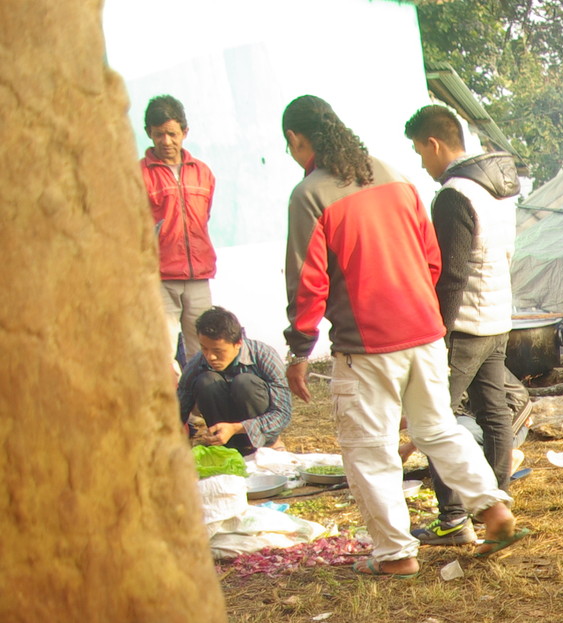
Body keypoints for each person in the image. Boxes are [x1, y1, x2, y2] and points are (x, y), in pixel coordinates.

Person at [280, 95, 525, 577]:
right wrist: (425, 314)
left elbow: (308, 279)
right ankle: (493, 508)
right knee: (437, 428)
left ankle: (395, 554)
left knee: (369, 448)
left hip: (367, 342)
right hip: (424, 330)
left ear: (296, 139)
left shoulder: (310, 193)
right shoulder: (393, 175)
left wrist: (299, 347)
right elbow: (431, 256)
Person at [403, 104, 522, 546]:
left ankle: (453, 518)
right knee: (495, 414)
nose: (421, 162)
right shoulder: (498, 188)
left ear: (434, 144)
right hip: (497, 317)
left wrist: (437, 331)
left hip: (466, 324)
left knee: (436, 420)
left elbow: (451, 274)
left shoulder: (455, 193)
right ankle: (498, 501)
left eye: (419, 152)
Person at [140, 95, 216, 362]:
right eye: (159, 134)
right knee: (162, 354)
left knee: (204, 351)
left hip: (198, 278)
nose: (166, 141)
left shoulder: (203, 173)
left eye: (172, 133)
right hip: (159, 278)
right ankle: (169, 405)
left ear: (185, 132)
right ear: (149, 133)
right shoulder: (137, 176)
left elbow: (203, 218)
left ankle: (201, 406)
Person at [177, 307, 291, 454]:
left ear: (238, 343)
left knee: (244, 383)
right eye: (204, 348)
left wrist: (237, 428)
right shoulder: (197, 363)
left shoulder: (265, 356)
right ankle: (225, 446)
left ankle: (270, 445)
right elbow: (177, 411)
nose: (210, 356)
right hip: (222, 436)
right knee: (206, 381)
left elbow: (282, 413)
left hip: (260, 436)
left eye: (218, 351)